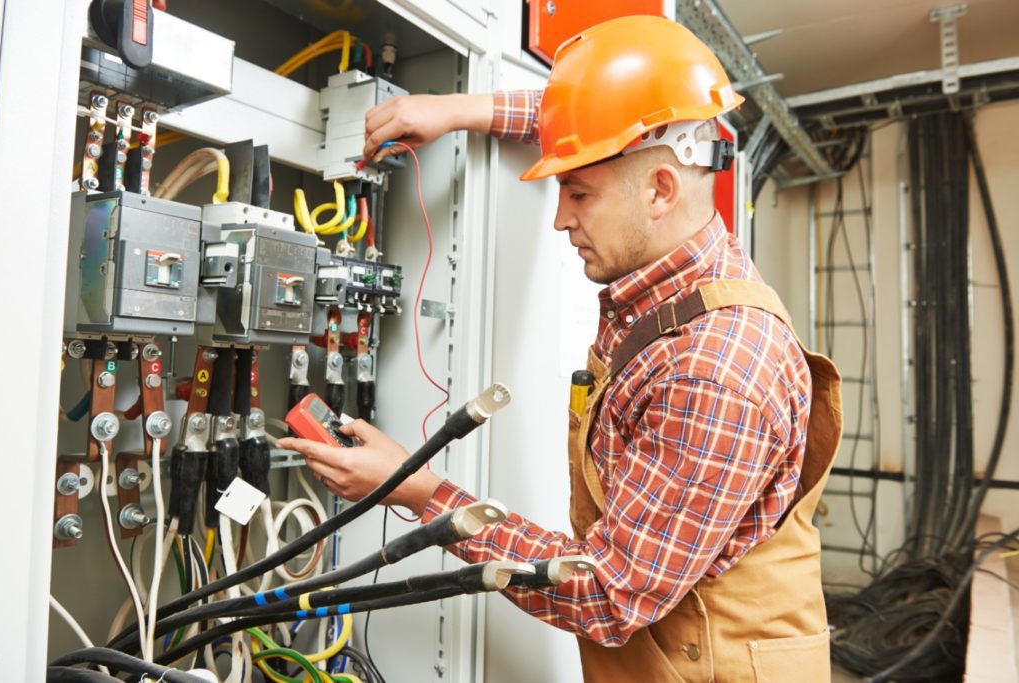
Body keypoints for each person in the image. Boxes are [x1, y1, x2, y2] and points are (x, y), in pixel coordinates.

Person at [277, 15, 842, 683]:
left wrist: (421, 492)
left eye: (578, 192)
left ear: (660, 189)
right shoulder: (671, 271)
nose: (561, 217)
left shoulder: (715, 366)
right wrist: (457, 109)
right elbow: (588, 124)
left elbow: (607, 590)